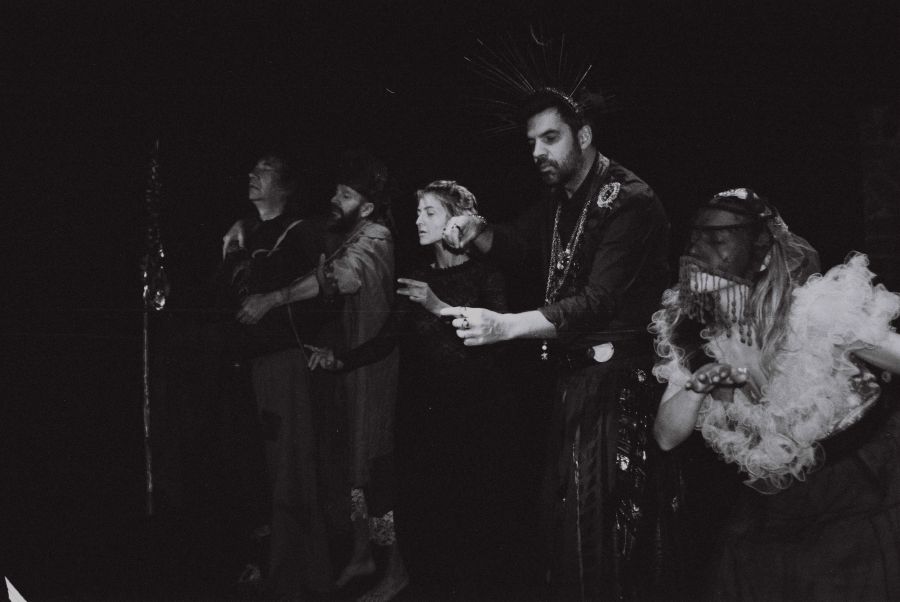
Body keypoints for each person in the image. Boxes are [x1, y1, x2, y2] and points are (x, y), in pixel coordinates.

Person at [439, 88, 670, 600]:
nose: (538, 152)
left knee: (606, 538)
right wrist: (476, 231)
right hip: (576, 382)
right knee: (567, 530)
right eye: (532, 142)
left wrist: (506, 326)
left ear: (583, 136)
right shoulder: (562, 197)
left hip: (619, 388)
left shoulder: (629, 200)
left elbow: (598, 301)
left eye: (550, 138)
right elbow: (520, 242)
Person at [651, 188, 900, 600]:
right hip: (779, 502)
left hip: (857, 486)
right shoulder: (698, 332)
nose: (699, 254)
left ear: (762, 256)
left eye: (718, 241)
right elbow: (666, 436)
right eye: (696, 241)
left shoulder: (814, 312)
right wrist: (703, 379)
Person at [308, 180, 515, 600]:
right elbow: (386, 340)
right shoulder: (417, 277)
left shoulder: (486, 274)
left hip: (474, 417)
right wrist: (340, 359)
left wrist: (438, 307)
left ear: (456, 220)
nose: (418, 220)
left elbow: (496, 344)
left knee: (471, 513)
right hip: (423, 413)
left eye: (429, 212)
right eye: (418, 211)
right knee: (424, 511)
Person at [233, 150, 403, 601]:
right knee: (351, 470)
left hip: (372, 370)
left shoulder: (376, 237)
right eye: (336, 191)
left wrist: (273, 299)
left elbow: (339, 278)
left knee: (373, 468)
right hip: (348, 365)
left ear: (367, 206)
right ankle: (363, 557)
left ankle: (394, 570)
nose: (334, 199)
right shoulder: (350, 232)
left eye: (345, 195)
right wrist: (243, 226)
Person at [221, 152, 334, 597]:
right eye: (252, 169)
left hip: (283, 362)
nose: (252, 174)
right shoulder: (248, 232)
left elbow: (325, 282)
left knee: (292, 470)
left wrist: (271, 299)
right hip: (248, 364)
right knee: (259, 469)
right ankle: (268, 565)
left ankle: (299, 576)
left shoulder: (300, 230)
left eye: (263, 171)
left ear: (284, 185)